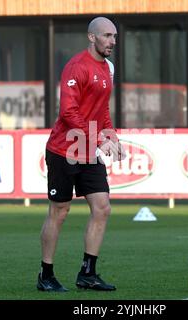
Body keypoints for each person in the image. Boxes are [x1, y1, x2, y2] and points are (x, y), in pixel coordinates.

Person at [36, 17, 126, 292]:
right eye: (107, 36)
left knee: (102, 207)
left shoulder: (108, 68)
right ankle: (46, 275)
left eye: (114, 36)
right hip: (64, 149)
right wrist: (99, 137)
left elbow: (102, 110)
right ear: (92, 37)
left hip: (88, 149)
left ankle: (88, 273)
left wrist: (110, 135)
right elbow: (68, 112)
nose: (112, 41)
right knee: (60, 212)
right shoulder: (76, 67)